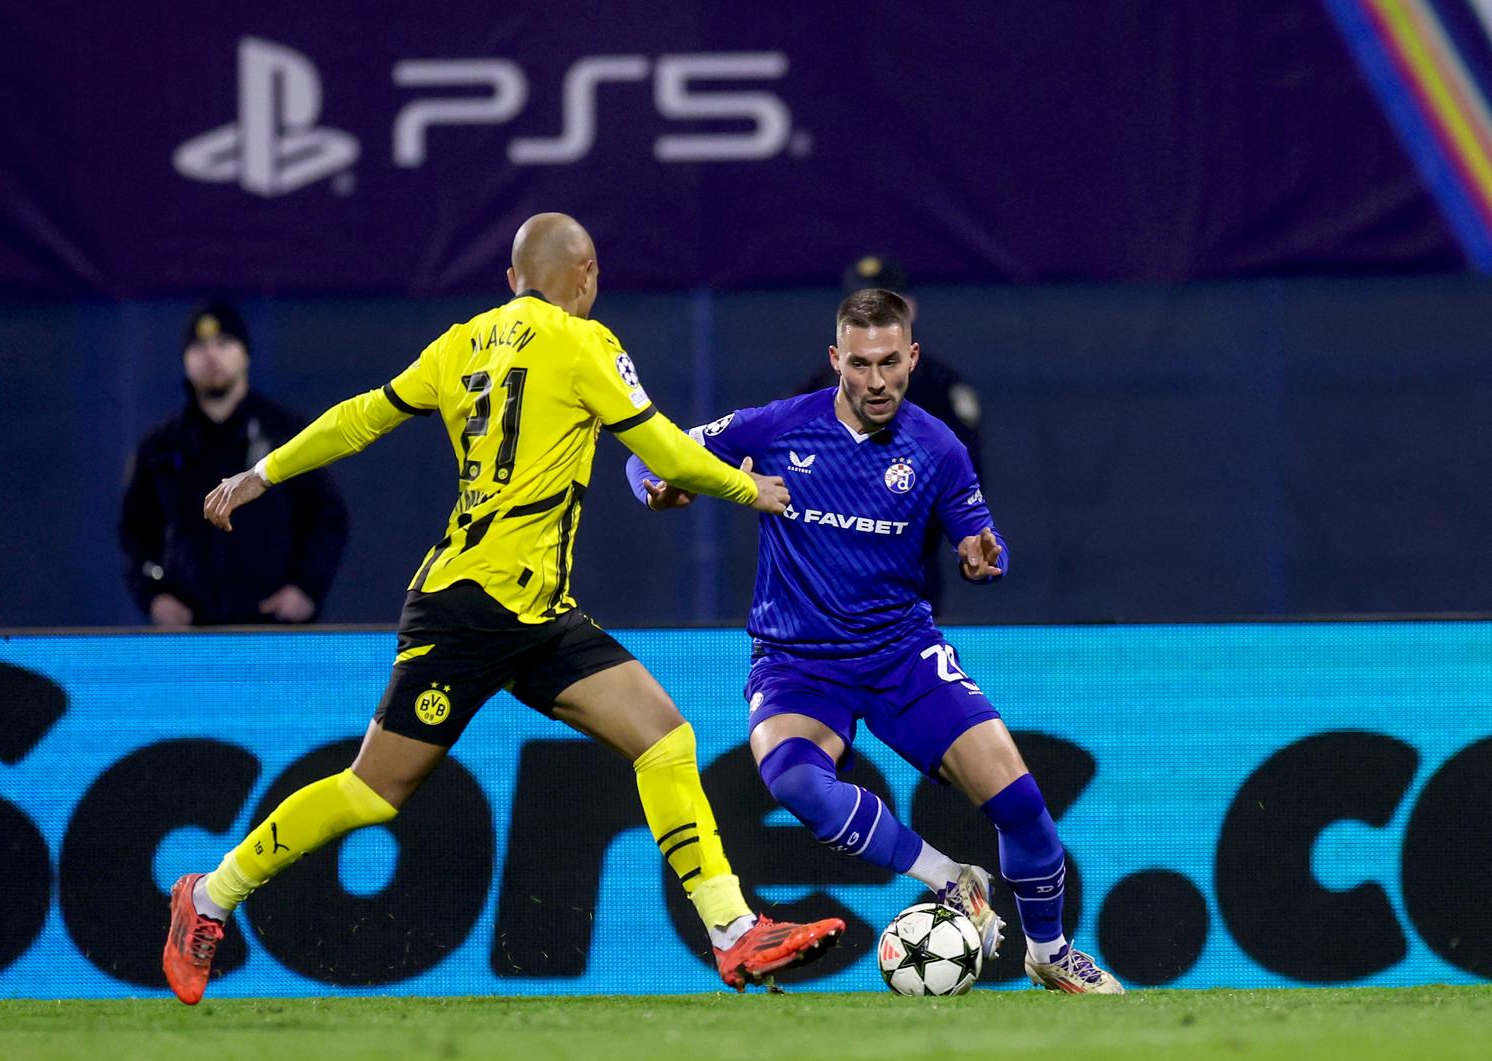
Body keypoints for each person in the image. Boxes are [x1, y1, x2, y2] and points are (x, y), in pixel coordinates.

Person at [161, 214, 844, 1004]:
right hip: (469, 610)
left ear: (511, 279)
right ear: (585, 273)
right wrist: (746, 487)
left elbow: (361, 417)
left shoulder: (461, 342)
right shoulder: (583, 341)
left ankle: (732, 932)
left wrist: (262, 473)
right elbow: (663, 450)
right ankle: (209, 894)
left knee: (663, 737)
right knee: (373, 790)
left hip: (536, 610)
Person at [627, 289, 1124, 994]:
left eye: (892, 361)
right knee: (795, 780)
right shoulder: (776, 426)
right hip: (799, 662)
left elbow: (980, 536)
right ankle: (950, 879)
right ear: (837, 360)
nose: (878, 379)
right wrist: (655, 485)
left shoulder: (937, 447)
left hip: (901, 656)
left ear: (913, 357)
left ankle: (1049, 950)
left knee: (1022, 806)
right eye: (861, 364)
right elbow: (650, 455)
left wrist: (987, 556)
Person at [118, 300, 348, 626]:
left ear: (246, 355)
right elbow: (134, 535)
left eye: (224, 344)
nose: (212, 356)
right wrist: (155, 596)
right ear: (184, 360)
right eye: (199, 347)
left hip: (275, 629)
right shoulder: (160, 446)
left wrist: (306, 588)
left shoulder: (287, 432)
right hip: (191, 633)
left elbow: (328, 518)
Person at [795, 257, 983, 615]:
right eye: (862, 304)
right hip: (828, 576)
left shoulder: (940, 387)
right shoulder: (815, 391)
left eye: (886, 305)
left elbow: (965, 479)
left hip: (910, 572)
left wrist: (964, 534)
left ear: (909, 310)